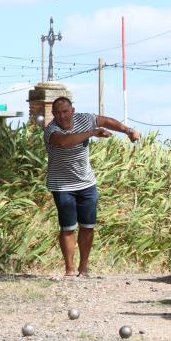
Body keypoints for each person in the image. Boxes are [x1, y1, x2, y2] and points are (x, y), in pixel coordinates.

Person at [44, 97, 141, 277]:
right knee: (68, 228)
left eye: (65, 111)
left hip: (87, 183)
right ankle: (70, 269)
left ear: (72, 111)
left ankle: (84, 267)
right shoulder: (52, 130)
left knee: (88, 226)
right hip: (62, 185)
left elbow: (105, 121)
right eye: (57, 113)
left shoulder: (84, 119)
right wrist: (92, 133)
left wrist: (128, 131)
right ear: (53, 114)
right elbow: (65, 141)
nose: (62, 116)